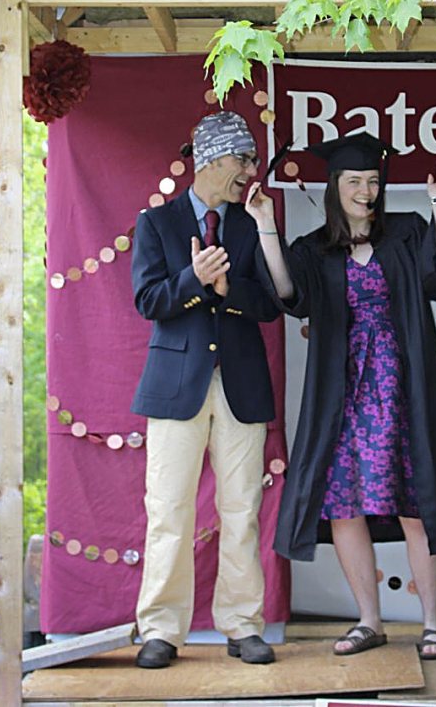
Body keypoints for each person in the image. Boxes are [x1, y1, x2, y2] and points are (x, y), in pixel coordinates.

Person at [246, 131, 436, 659]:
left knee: (415, 499)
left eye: (373, 181)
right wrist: (265, 227)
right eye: (354, 181)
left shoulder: (404, 231)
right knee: (346, 503)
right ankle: (369, 620)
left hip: (402, 384)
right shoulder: (314, 248)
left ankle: (433, 624)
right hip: (342, 390)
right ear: (335, 186)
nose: (366, 190)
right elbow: (288, 293)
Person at [131, 111, 280, 669]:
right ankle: (162, 631)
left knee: (241, 509)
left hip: (240, 385)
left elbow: (270, 304)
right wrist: (194, 281)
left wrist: (226, 286)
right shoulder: (157, 224)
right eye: (243, 160)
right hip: (175, 389)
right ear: (212, 160)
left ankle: (243, 626)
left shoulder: (251, 224)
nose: (249, 171)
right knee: (168, 511)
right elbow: (149, 302)